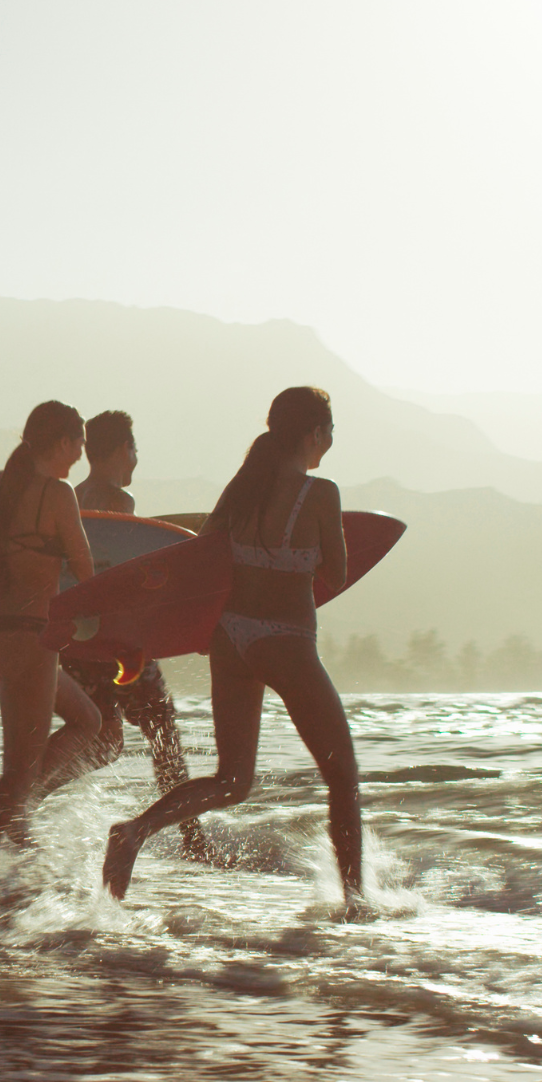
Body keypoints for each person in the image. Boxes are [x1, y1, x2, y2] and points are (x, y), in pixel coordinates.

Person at [102, 387, 369, 915]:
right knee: (342, 775)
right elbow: (336, 574)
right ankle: (356, 903)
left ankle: (134, 832)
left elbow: (201, 557)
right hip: (285, 640)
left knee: (231, 779)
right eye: (330, 432)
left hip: (230, 637)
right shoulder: (319, 493)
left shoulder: (243, 488)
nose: (331, 442)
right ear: (315, 433)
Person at [0, 400, 123, 902]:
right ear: (63, 443)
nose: (82, 453)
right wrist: (120, 624)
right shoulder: (57, 492)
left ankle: (17, 819)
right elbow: (85, 571)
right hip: (30, 635)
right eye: (80, 443)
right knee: (17, 771)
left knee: (88, 722)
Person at [62, 411, 220, 865]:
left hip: (80, 640)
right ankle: (191, 839)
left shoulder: (73, 498)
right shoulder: (118, 499)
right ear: (117, 451)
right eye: (133, 449)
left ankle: (27, 798)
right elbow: (123, 577)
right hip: (117, 643)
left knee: (105, 738)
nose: (136, 458)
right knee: (163, 734)